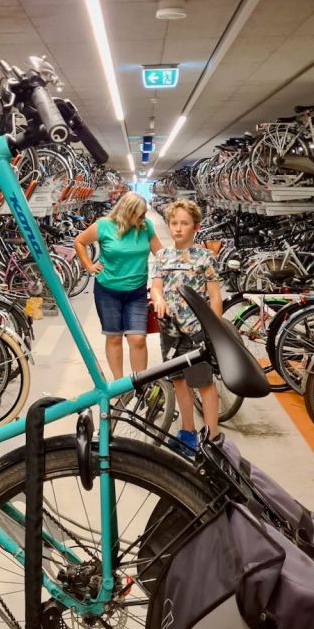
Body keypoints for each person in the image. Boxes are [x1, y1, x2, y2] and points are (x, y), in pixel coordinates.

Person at [150, 199, 222, 450]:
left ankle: (212, 438)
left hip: (197, 331)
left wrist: (214, 331)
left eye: (184, 223)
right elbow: (156, 286)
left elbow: (215, 297)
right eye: (174, 223)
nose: (178, 228)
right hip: (170, 331)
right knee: (178, 380)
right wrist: (158, 298)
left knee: (203, 383)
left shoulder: (205, 258)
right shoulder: (162, 256)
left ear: (196, 227)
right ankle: (187, 431)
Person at [74, 192, 163, 380]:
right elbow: (79, 242)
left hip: (137, 292)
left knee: (138, 339)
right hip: (108, 292)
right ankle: (119, 383)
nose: (143, 218)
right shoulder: (103, 226)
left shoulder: (145, 227)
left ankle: (139, 384)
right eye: (139, 215)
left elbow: (161, 255)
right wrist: (89, 266)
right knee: (114, 337)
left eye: (144, 214)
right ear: (126, 212)